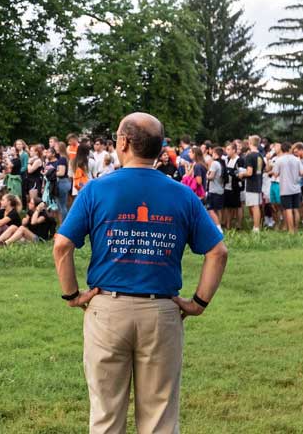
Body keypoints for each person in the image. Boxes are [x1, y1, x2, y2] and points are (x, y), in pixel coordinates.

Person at [53, 113, 227, 434]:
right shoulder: (182, 194)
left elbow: (62, 246)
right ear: (160, 149)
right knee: (159, 418)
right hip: (161, 310)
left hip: (107, 308)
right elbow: (217, 251)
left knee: (106, 416)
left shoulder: (95, 190)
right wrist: (198, 303)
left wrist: (73, 295)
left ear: (123, 142)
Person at [274, 142, 303, 234]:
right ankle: (296, 228)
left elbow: (275, 174)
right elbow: (302, 172)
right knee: (296, 209)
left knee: (288, 210)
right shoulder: (297, 159)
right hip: (296, 187)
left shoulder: (279, 160)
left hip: (285, 188)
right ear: (290, 149)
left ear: (282, 149)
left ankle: (290, 230)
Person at [239, 135, 266, 232]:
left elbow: (249, 172)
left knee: (254, 206)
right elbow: (264, 169)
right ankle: (257, 225)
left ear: (250, 143)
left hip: (252, 183)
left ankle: (256, 228)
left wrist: (242, 174)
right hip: (258, 182)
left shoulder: (250, 156)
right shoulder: (260, 155)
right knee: (255, 205)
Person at [205, 147, 225, 230]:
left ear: (216, 154)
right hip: (220, 189)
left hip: (213, 189)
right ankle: (219, 224)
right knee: (218, 210)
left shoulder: (214, 163)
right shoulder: (222, 163)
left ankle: (217, 227)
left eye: (212, 153)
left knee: (211, 209)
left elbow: (211, 177)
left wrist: (206, 175)